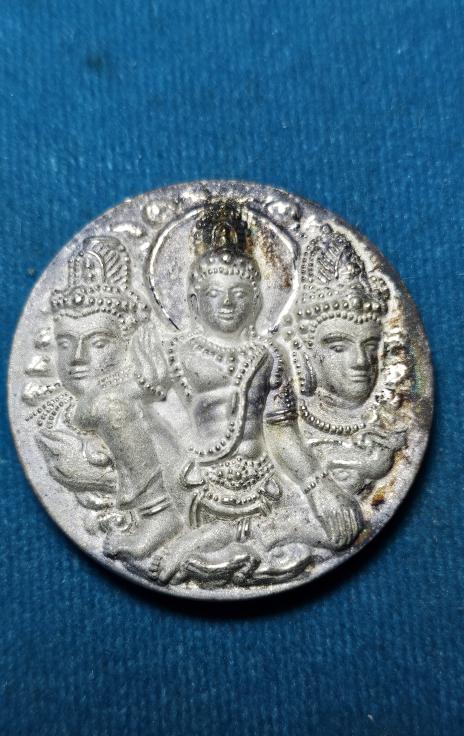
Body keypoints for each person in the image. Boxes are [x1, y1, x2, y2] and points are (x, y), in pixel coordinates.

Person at [136, 203, 363, 584]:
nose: (227, 303)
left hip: (264, 489)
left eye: (239, 293)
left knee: (343, 528)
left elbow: (282, 432)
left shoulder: (271, 355)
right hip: (197, 486)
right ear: (193, 302)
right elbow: (151, 420)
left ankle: (222, 539)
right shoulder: (175, 351)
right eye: (214, 293)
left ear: (257, 301)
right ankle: (200, 536)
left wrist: (318, 485)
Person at [39, 236, 182, 556]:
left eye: (98, 342)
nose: (77, 357)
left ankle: (159, 514)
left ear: (128, 343)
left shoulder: (119, 397)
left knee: (108, 405)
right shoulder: (78, 407)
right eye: (65, 343)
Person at [289, 224, 407, 496]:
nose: (361, 361)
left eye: (370, 346)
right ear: (306, 352)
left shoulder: (388, 423)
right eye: (339, 347)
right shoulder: (283, 425)